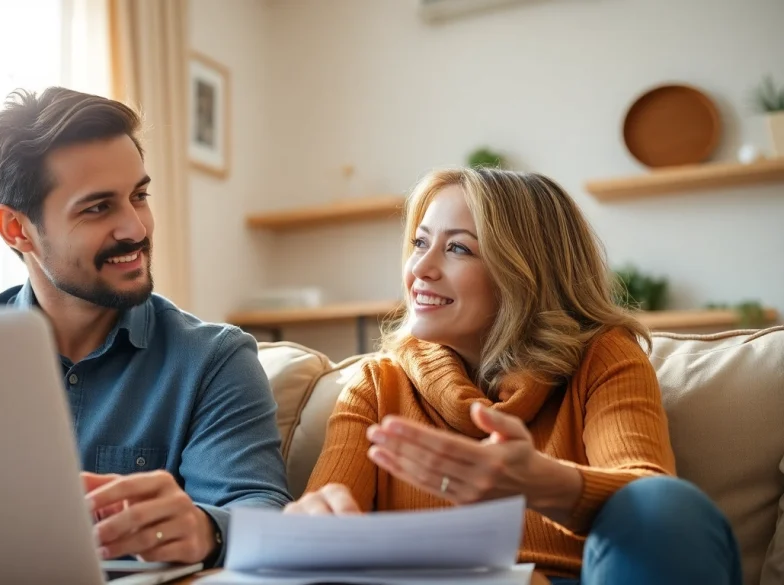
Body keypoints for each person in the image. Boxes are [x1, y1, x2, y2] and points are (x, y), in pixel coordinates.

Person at [284, 168, 742, 584]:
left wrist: (541, 482)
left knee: (667, 506)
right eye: (420, 242)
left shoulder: (603, 357)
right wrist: (314, 520)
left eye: (458, 248)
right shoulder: (377, 384)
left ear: (526, 273)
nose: (420, 268)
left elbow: (654, 503)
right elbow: (325, 512)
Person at [0, 87, 292, 567]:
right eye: (98, 207)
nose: (136, 228)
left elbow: (260, 515)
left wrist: (208, 530)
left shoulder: (213, 361)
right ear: (17, 229)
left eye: (139, 195)